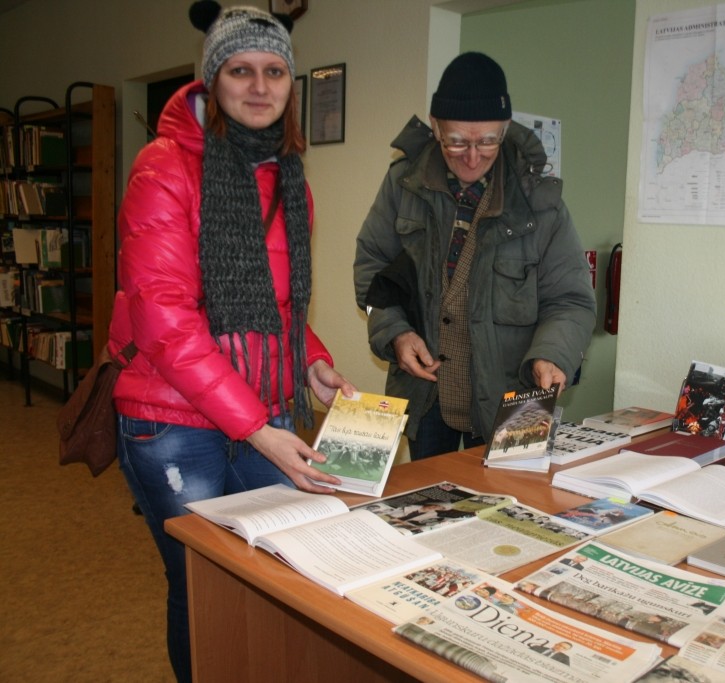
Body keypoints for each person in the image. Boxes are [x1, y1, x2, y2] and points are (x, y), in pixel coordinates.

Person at [107, 3, 354, 680]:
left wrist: (312, 360)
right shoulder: (164, 168)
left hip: (260, 409)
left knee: (283, 564)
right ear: (212, 79)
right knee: (203, 581)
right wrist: (256, 427)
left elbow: (277, 305)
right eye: (240, 70)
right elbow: (164, 320)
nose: (259, 86)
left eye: (275, 71)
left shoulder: (289, 177)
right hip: (173, 420)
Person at [353, 51, 596, 460]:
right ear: (435, 126)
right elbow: (373, 268)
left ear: (505, 129)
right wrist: (395, 332)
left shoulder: (540, 202)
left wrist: (552, 355)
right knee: (431, 495)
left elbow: (571, 300)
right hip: (427, 395)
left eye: (487, 141)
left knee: (513, 496)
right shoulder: (403, 184)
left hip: (516, 396)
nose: (472, 156)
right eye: (457, 141)